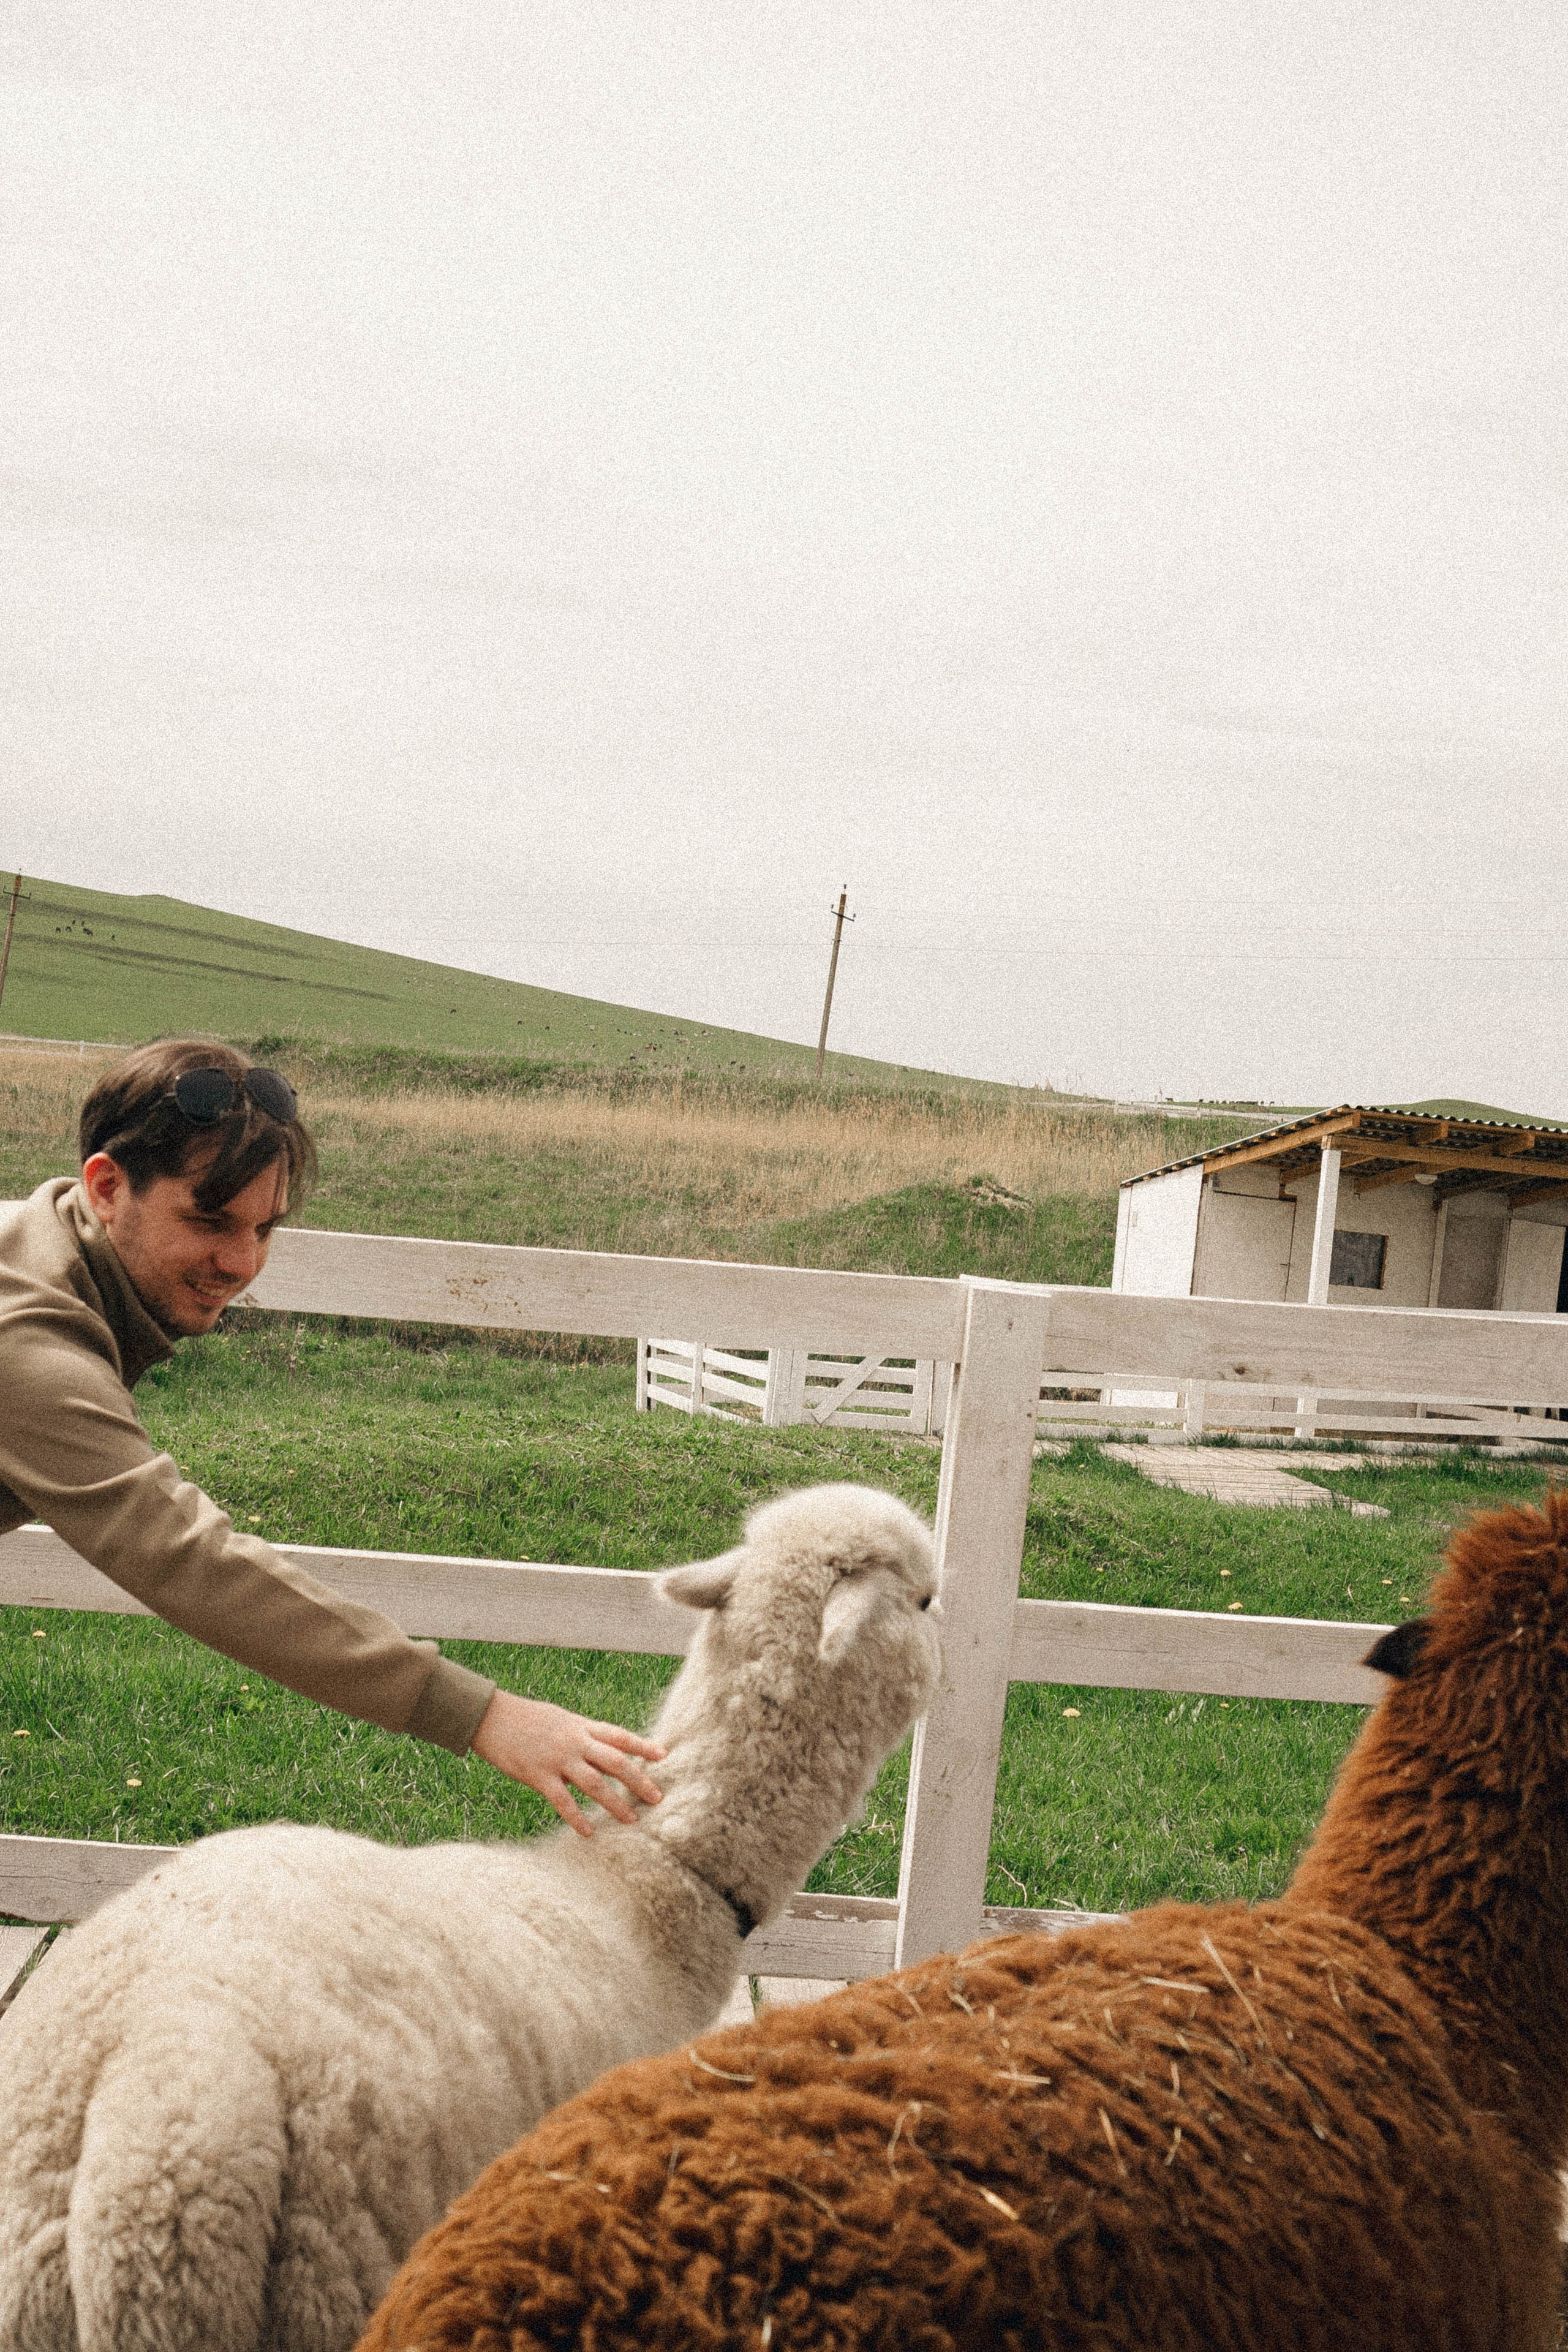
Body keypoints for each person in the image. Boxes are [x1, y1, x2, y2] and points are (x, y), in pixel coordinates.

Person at [0, 1038, 663, 1834]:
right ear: (107, 1187)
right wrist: (488, 1718)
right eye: (209, 1220)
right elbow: (191, 1563)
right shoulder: (25, 1344)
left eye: (265, 1228)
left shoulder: (42, 1248)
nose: (240, 1262)